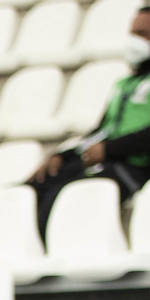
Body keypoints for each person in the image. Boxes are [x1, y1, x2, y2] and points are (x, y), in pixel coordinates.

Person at [27, 7, 150, 237]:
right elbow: (103, 131)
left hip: (134, 169)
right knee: (34, 185)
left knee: (64, 195)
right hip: (109, 161)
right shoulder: (124, 84)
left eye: (143, 34)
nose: (135, 42)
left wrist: (110, 149)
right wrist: (63, 156)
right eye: (133, 34)